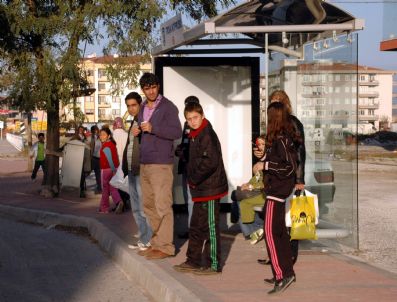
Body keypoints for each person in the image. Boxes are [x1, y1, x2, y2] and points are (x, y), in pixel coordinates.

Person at [173, 101, 228, 275]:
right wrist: (183, 152)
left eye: (195, 117)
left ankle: (214, 264)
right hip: (200, 189)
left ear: (202, 116)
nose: (193, 121)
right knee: (196, 226)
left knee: (211, 227)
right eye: (189, 119)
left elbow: (210, 162)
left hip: (210, 189)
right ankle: (193, 260)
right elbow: (196, 157)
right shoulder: (194, 134)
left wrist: (194, 179)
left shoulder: (207, 134)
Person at [133, 72, 182, 260]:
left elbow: (176, 131)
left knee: (162, 206)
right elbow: (142, 130)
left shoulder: (168, 107)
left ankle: (167, 247)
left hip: (161, 163)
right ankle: (156, 243)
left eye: (153, 87)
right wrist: (138, 130)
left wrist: (154, 129)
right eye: (147, 88)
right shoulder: (143, 107)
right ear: (143, 90)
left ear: (158, 86)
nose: (151, 91)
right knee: (149, 206)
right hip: (145, 162)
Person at [255, 90, 306, 266]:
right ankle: (278, 258)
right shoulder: (275, 128)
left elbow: (298, 155)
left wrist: (299, 179)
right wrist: (262, 156)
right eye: (272, 101)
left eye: (278, 101)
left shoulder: (291, 125)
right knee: (277, 223)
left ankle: (289, 257)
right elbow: (274, 154)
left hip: (287, 179)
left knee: (288, 221)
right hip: (277, 179)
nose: (274, 104)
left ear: (285, 104)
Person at [259, 101, 299, 294]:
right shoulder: (280, 139)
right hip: (276, 192)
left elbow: (289, 167)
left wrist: (265, 166)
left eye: (269, 116)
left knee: (270, 235)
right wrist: (263, 157)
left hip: (276, 193)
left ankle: (281, 275)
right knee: (280, 234)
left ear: (274, 118)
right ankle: (286, 272)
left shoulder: (282, 139)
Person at [122, 91, 152, 251]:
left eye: (134, 105)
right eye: (128, 106)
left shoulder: (145, 120)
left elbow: (150, 142)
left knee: (144, 206)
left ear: (140, 104)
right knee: (135, 206)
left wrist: (141, 134)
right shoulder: (134, 121)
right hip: (132, 169)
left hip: (141, 169)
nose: (131, 108)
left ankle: (148, 239)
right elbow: (129, 146)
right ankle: (143, 236)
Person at [231, 136, 266, 245]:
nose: (260, 147)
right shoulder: (260, 161)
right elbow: (256, 179)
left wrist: (250, 187)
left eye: (262, 144)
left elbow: (264, 183)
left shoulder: (267, 161)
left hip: (266, 194)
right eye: (258, 144)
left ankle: (256, 229)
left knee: (242, 201)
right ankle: (255, 229)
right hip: (260, 192)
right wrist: (248, 184)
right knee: (238, 197)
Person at [175, 95, 200, 239]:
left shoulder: (200, 125)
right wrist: (179, 149)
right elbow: (186, 142)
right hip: (185, 164)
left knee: (192, 200)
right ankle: (192, 229)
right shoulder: (187, 124)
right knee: (187, 199)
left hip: (193, 167)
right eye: (187, 105)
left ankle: (194, 231)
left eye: (191, 105)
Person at [98, 127, 124, 214]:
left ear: (108, 136)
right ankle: (119, 202)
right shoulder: (112, 144)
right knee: (113, 188)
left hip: (106, 170)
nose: (101, 136)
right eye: (100, 134)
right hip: (114, 169)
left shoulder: (106, 145)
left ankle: (104, 208)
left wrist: (112, 170)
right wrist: (115, 170)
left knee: (105, 189)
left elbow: (109, 158)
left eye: (103, 135)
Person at [112, 117, 130, 211]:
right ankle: (125, 200)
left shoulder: (112, 135)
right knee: (125, 181)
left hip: (115, 162)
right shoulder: (126, 134)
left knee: (116, 182)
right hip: (125, 161)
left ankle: (119, 202)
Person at [89, 125, 102, 194]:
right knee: (87, 171)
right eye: (94, 130)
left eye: (96, 130)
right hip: (93, 158)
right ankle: (81, 186)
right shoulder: (91, 138)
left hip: (100, 158)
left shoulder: (101, 137)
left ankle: (99, 188)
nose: (95, 131)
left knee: (98, 174)